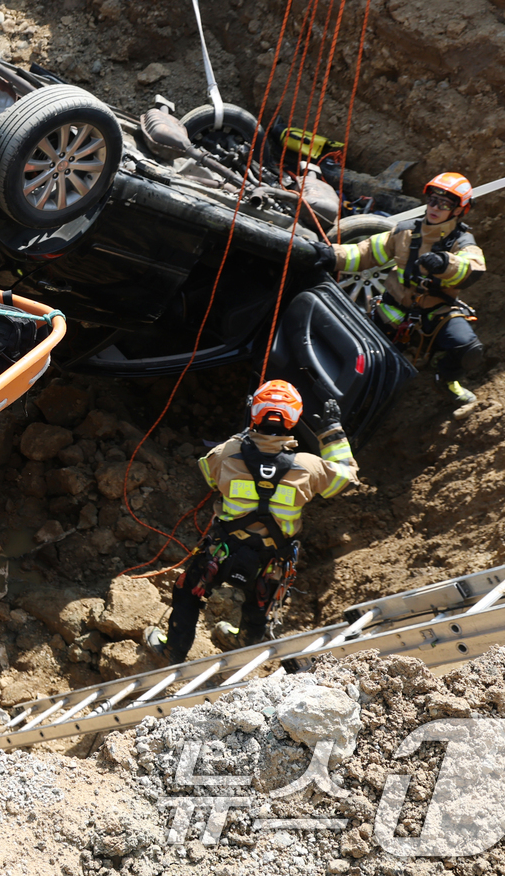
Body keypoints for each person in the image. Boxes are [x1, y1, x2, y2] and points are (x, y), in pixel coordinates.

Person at [144, 380, 357, 664]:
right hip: (271, 561)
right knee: (259, 607)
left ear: (254, 413)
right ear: (294, 420)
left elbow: (208, 474)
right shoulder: (309, 467)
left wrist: (244, 436)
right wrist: (331, 432)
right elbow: (348, 478)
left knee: (187, 591)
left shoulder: (225, 454)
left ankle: (174, 651)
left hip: (223, 551)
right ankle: (241, 643)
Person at [311, 172, 486, 405]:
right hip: (394, 310)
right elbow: (365, 253)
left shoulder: (461, 241)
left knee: (468, 349)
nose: (435, 207)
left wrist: (446, 263)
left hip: (435, 312)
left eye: (445, 204)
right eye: (432, 200)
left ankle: (445, 379)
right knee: (364, 360)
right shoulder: (404, 232)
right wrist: (330, 254)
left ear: (458, 210)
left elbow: (473, 268)